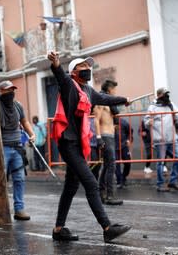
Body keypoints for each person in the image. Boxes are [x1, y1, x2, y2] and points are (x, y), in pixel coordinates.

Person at [47, 51, 131, 243]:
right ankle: (107, 227)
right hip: (68, 142)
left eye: (88, 66)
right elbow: (59, 76)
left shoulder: (88, 91)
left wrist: (123, 99)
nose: (87, 69)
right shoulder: (69, 85)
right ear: (74, 72)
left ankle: (58, 230)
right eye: (82, 67)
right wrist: (56, 63)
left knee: (71, 186)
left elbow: (105, 99)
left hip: (78, 143)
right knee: (91, 184)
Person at [0, 80, 36, 221]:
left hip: (18, 147)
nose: (11, 93)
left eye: (12, 90)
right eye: (7, 91)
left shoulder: (18, 106)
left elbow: (24, 122)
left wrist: (32, 134)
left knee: (19, 179)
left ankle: (19, 209)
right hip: (2, 148)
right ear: (0, 92)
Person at [144, 87, 178, 192]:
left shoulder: (171, 104)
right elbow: (146, 121)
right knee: (161, 162)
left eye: (167, 94)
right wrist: (149, 122)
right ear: (159, 95)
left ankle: (173, 181)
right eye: (165, 94)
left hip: (172, 138)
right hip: (160, 140)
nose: (167, 96)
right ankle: (160, 185)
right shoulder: (152, 107)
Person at [94, 79, 124, 205]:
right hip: (105, 136)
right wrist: (99, 137)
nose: (115, 92)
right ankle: (109, 196)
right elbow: (96, 120)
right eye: (114, 89)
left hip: (110, 135)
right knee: (111, 165)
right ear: (110, 89)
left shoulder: (110, 105)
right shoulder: (100, 102)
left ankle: (101, 194)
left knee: (107, 165)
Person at [115, 117, 132, 189]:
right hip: (113, 147)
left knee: (128, 163)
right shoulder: (108, 121)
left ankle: (123, 177)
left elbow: (130, 132)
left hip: (124, 145)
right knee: (116, 165)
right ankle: (119, 181)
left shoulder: (123, 122)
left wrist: (128, 140)